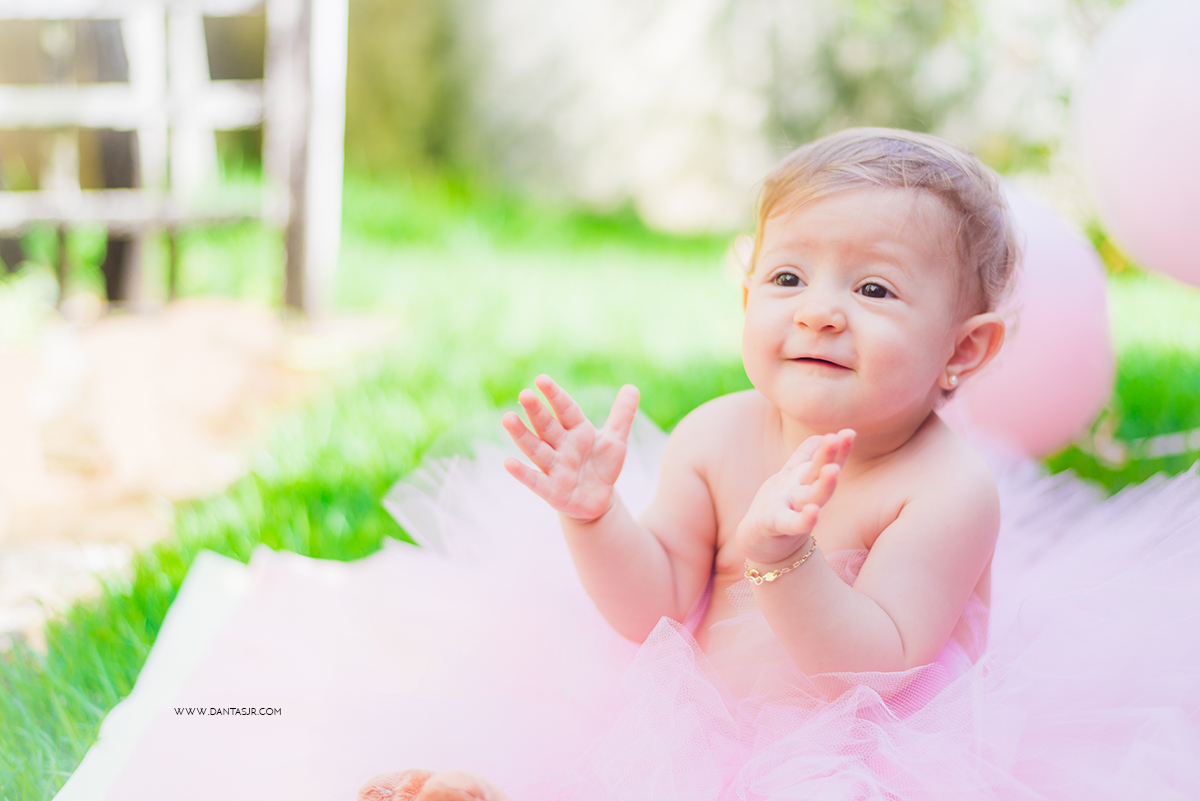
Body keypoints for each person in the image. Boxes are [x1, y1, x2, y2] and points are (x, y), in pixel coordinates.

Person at [361, 127, 1020, 799]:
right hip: (688, 732)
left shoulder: (945, 489)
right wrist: (595, 517)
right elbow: (658, 607)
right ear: (746, 297)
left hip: (855, 763)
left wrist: (782, 557)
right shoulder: (718, 434)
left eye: (875, 289)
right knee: (577, 741)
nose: (819, 310)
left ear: (963, 350)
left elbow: (873, 671)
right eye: (788, 277)